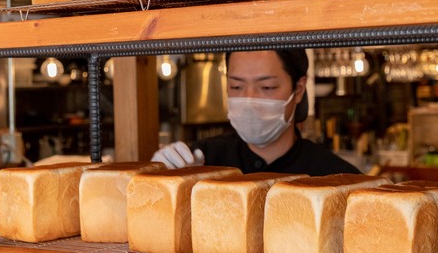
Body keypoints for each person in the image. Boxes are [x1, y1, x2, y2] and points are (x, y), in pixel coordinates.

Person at [152, 49, 361, 176]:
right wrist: (160, 177)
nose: (249, 100)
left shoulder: (334, 174)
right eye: (236, 87)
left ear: (298, 89)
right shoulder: (202, 158)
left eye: (267, 87)